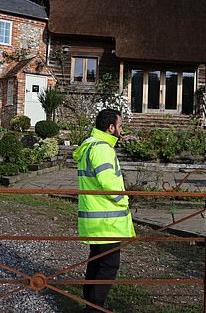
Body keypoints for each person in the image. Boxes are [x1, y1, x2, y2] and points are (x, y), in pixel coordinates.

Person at [73, 108, 136, 313]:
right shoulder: (102, 149)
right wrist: (124, 201)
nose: (121, 129)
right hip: (106, 220)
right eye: (119, 126)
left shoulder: (91, 146)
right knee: (108, 266)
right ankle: (94, 309)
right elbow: (109, 183)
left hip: (95, 218)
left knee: (96, 264)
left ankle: (89, 306)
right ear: (111, 128)